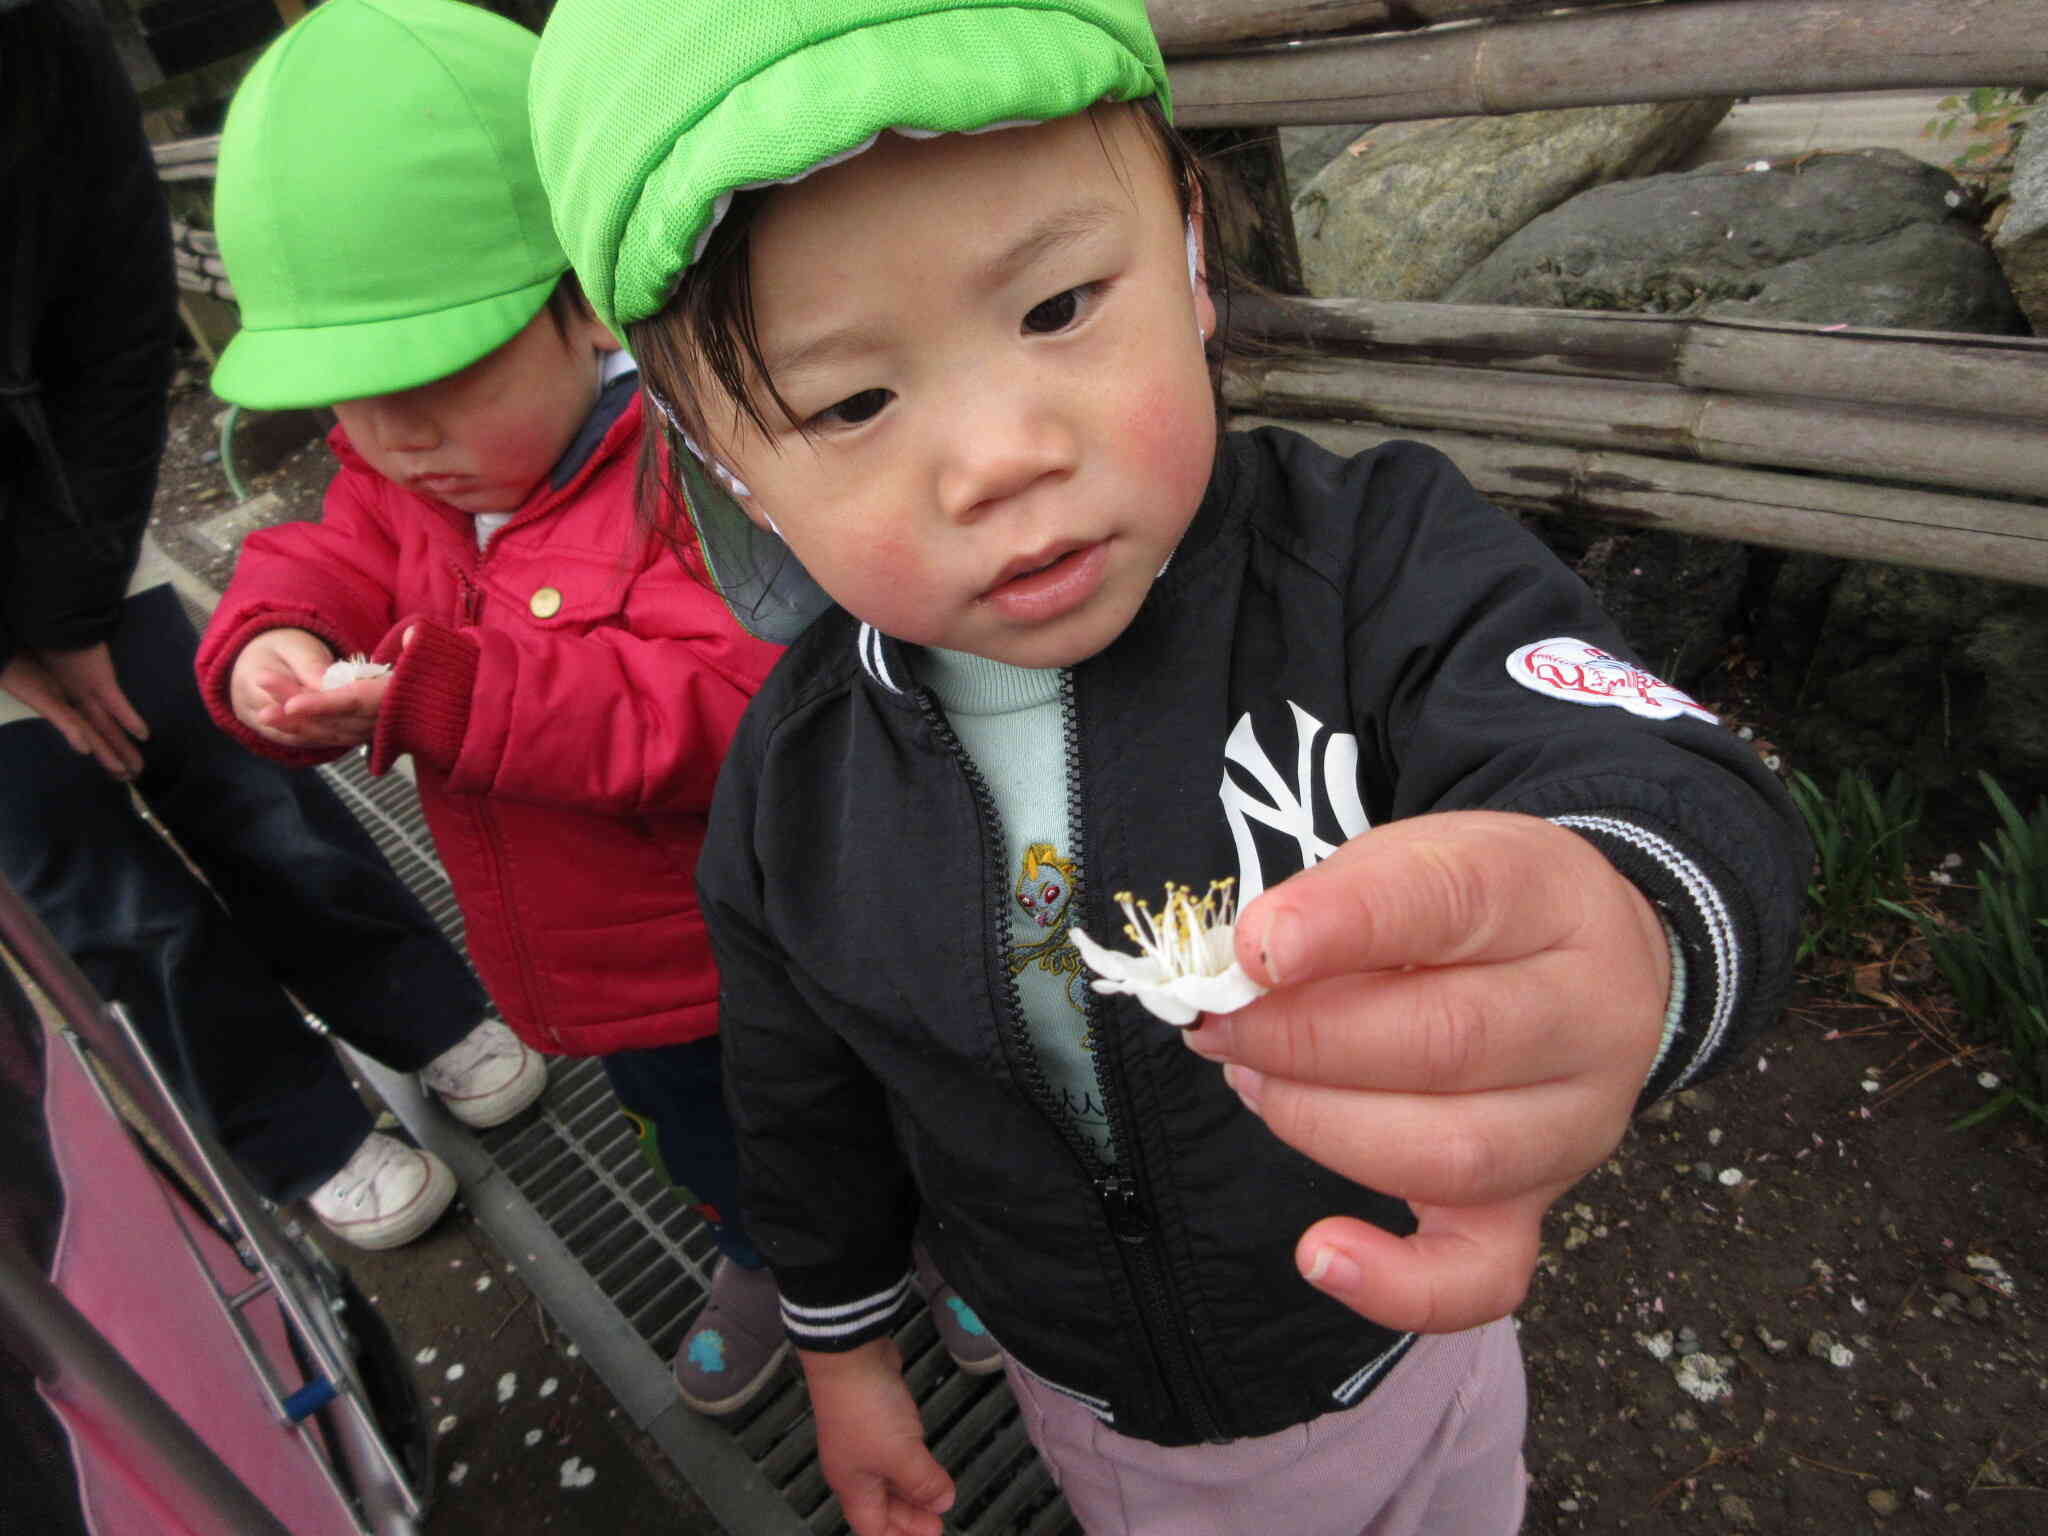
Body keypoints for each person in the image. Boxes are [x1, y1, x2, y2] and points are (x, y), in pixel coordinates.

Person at [528, 0, 1812, 1529]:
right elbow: (801, 1101)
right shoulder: (794, 789)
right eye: (854, 401)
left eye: (1060, 305)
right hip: (1088, 1398)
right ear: (727, 459)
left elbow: (1647, 768)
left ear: (1190, 252)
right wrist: (846, 1347)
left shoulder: (1373, 566)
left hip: (1398, 1335)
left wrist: (1632, 925)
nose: (1002, 452)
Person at [191, 0, 990, 1417]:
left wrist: (463, 696)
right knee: (702, 1138)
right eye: (349, 407)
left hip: (791, 948)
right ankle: (767, 1261)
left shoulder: (699, 470)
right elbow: (327, 545)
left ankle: (953, 1249)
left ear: (586, 294)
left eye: (433, 385)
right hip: (607, 977)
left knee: (881, 1112)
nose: (390, 444)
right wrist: (274, 637)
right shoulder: (414, 473)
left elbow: (743, 706)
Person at [0, 0, 539, 1260]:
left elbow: (118, 302)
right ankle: (296, 1130)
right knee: (95, 892)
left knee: (239, 770)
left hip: (69, 506)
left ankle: (419, 1003)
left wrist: (82, 602)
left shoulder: (41, 42)